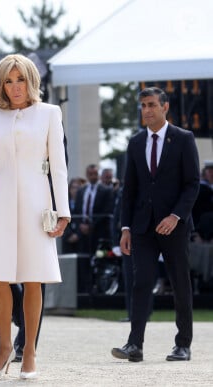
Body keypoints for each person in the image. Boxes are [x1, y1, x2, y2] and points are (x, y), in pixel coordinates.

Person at [0, 54, 70, 380]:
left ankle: (29, 352)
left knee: (33, 278)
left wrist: (63, 211)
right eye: (8, 80)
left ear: (31, 81)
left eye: (20, 79)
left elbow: (59, 167)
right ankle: (3, 348)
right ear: (0, 84)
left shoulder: (49, 114)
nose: (15, 87)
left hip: (37, 205)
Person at [112, 87, 200, 363]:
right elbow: (130, 189)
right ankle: (134, 345)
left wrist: (176, 216)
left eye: (151, 105)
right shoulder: (136, 142)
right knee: (141, 282)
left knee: (179, 283)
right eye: (143, 106)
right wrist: (125, 227)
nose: (146, 110)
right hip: (142, 227)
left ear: (165, 107)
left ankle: (182, 344)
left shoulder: (184, 139)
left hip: (174, 226)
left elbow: (192, 184)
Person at [73, 164, 114, 256]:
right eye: (90, 174)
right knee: (83, 260)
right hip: (82, 233)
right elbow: (76, 211)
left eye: (95, 173)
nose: (93, 176)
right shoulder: (81, 191)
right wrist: (81, 225)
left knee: (99, 259)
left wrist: (91, 226)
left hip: (99, 232)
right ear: (86, 175)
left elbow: (107, 211)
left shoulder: (106, 191)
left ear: (98, 174)